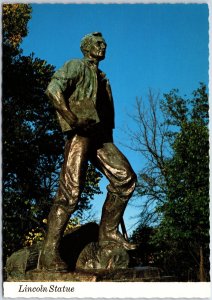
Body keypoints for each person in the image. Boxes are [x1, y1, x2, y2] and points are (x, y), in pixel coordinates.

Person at [40, 32, 137, 271]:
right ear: (86, 47)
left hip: (101, 138)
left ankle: (108, 234)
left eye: (105, 43)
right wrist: (72, 120)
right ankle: (48, 253)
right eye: (98, 43)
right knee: (70, 192)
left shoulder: (103, 78)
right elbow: (52, 89)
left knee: (125, 179)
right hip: (80, 132)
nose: (103, 46)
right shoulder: (76, 65)